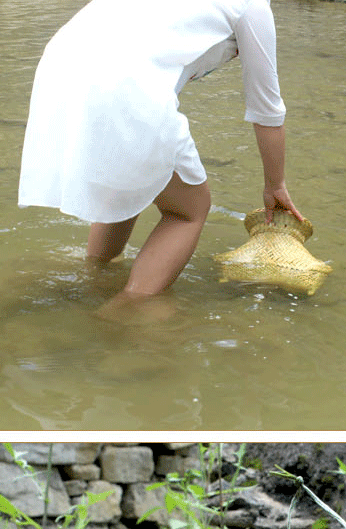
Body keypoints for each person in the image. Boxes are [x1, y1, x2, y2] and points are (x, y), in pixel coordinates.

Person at [18, 0, 303, 307]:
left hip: (64, 63)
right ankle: (126, 311)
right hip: (121, 78)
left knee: (129, 178)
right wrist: (275, 185)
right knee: (189, 210)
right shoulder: (252, 6)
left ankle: (93, 277)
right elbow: (267, 112)